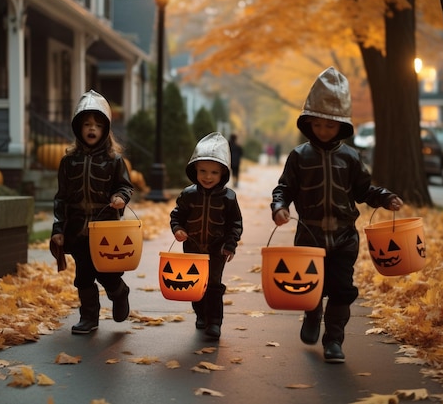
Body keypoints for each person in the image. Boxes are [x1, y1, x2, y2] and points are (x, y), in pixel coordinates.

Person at [270, 67, 403, 363]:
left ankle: (334, 341)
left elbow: (363, 190)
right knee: (311, 287)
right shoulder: (299, 156)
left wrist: (384, 198)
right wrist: (279, 208)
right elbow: (284, 189)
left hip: (344, 237)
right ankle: (311, 312)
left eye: (331, 126)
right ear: (309, 123)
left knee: (343, 289)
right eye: (318, 125)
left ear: (341, 126)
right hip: (310, 236)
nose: (324, 131)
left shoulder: (351, 158)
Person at [50, 90, 134, 335]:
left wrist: (120, 197)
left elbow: (125, 185)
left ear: (106, 129)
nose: (92, 128)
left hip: (105, 227)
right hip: (77, 228)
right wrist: (58, 229)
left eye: (98, 124)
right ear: (78, 127)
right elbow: (61, 197)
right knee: (84, 275)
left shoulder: (114, 160)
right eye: (87, 124)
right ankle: (89, 317)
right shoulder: (69, 161)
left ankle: (119, 291)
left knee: (107, 273)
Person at [170, 132, 243, 339]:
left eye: (214, 172)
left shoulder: (228, 197)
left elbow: (235, 223)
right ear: (195, 170)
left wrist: (230, 244)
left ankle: (215, 323)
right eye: (203, 171)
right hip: (192, 248)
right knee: (194, 285)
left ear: (223, 174)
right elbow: (177, 216)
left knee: (213, 285)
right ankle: (201, 314)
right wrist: (178, 229)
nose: (208, 177)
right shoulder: (188, 194)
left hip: (217, 249)